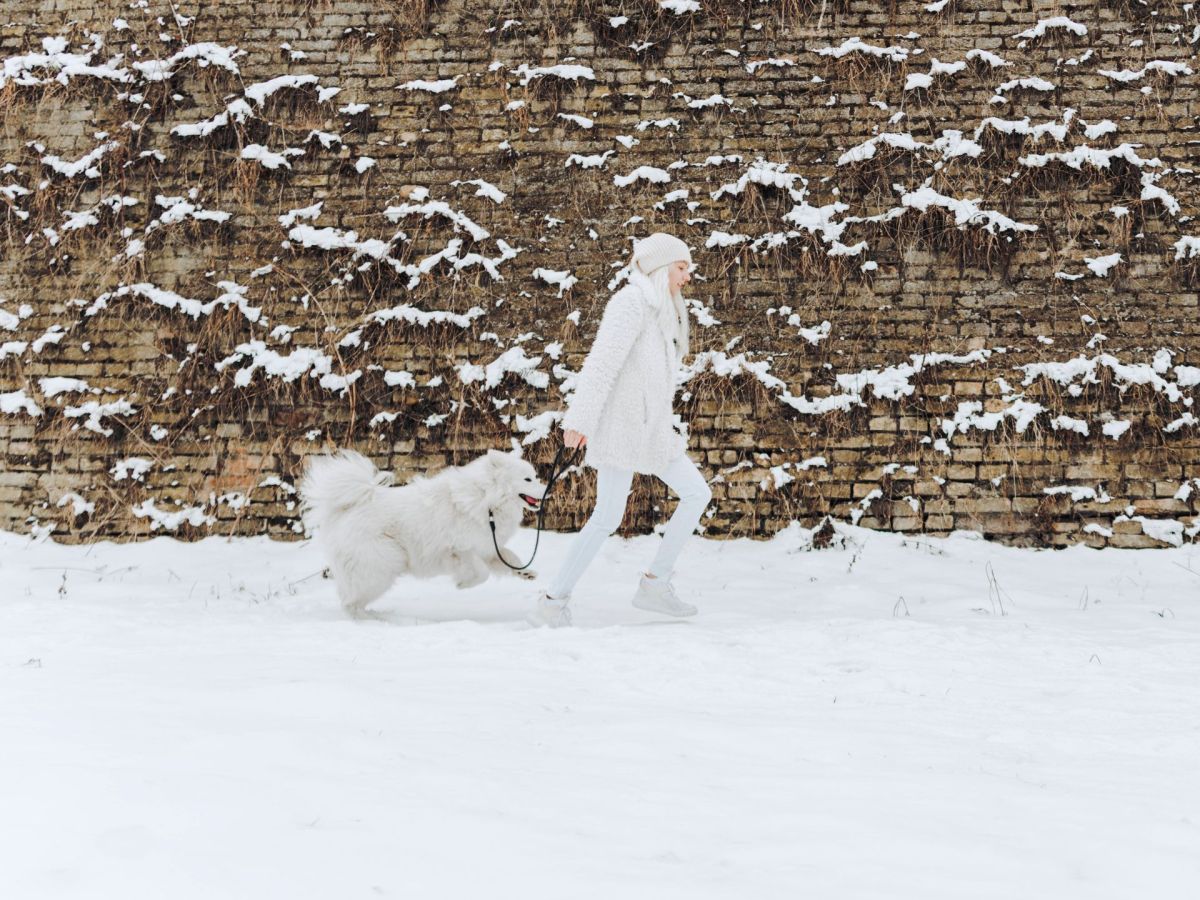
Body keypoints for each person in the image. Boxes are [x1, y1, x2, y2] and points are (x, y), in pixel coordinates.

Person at [529, 232, 714, 628]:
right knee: (607, 517)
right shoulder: (630, 303)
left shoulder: (659, 310)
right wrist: (580, 420)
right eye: (682, 268)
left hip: (652, 431)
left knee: (697, 492)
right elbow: (601, 364)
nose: (687, 277)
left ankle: (654, 584)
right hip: (622, 429)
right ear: (663, 267)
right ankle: (553, 600)